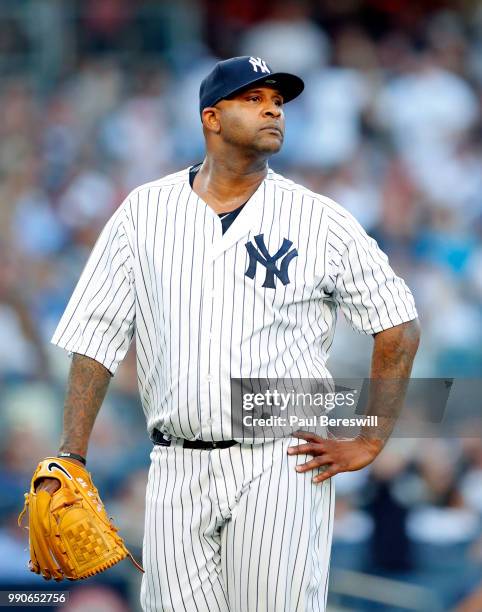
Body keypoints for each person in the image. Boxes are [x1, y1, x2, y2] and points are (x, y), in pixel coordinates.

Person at [35, 56, 420, 611]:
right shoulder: (145, 212)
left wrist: (370, 437)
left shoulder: (319, 219)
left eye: (278, 102)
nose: (272, 110)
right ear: (211, 118)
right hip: (174, 464)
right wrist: (71, 453)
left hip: (281, 456)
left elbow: (399, 327)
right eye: (254, 98)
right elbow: (96, 335)